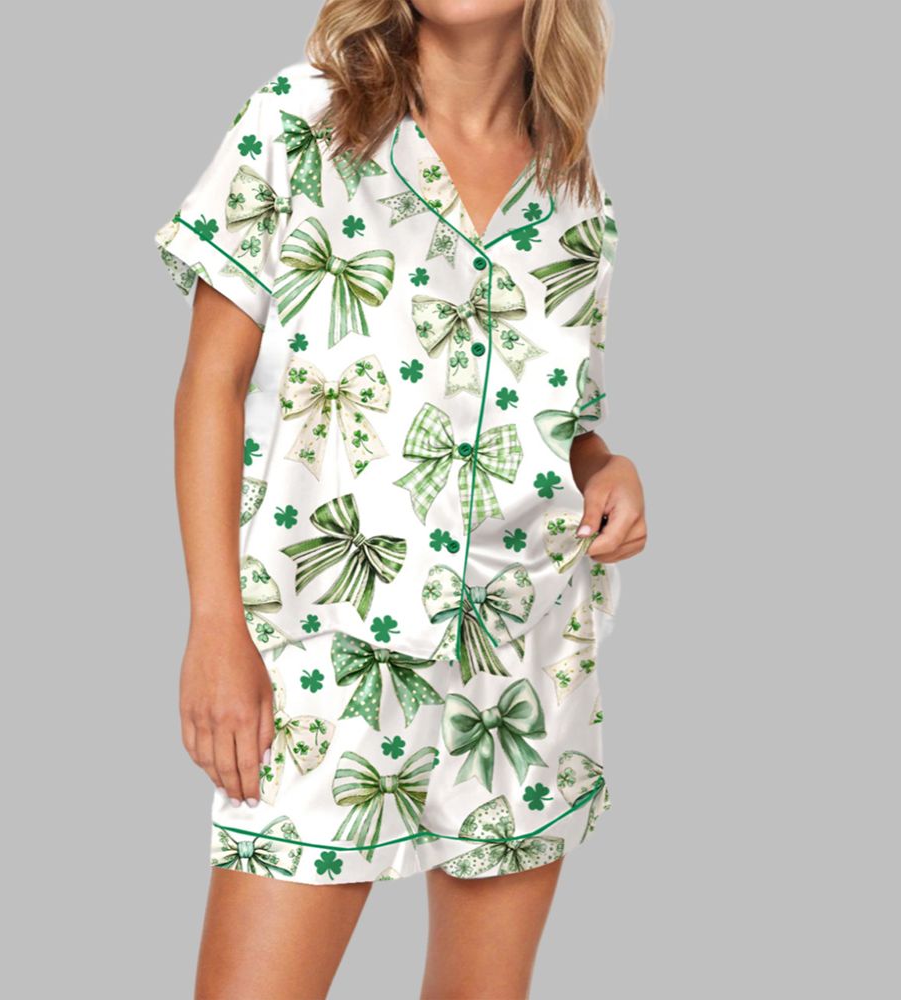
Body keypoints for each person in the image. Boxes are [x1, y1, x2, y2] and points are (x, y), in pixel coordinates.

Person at [153, 1, 647, 996]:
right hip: (327, 661)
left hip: (521, 667)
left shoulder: (576, 194)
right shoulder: (299, 123)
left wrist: (606, 468)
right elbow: (211, 382)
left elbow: (562, 422)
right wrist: (214, 623)